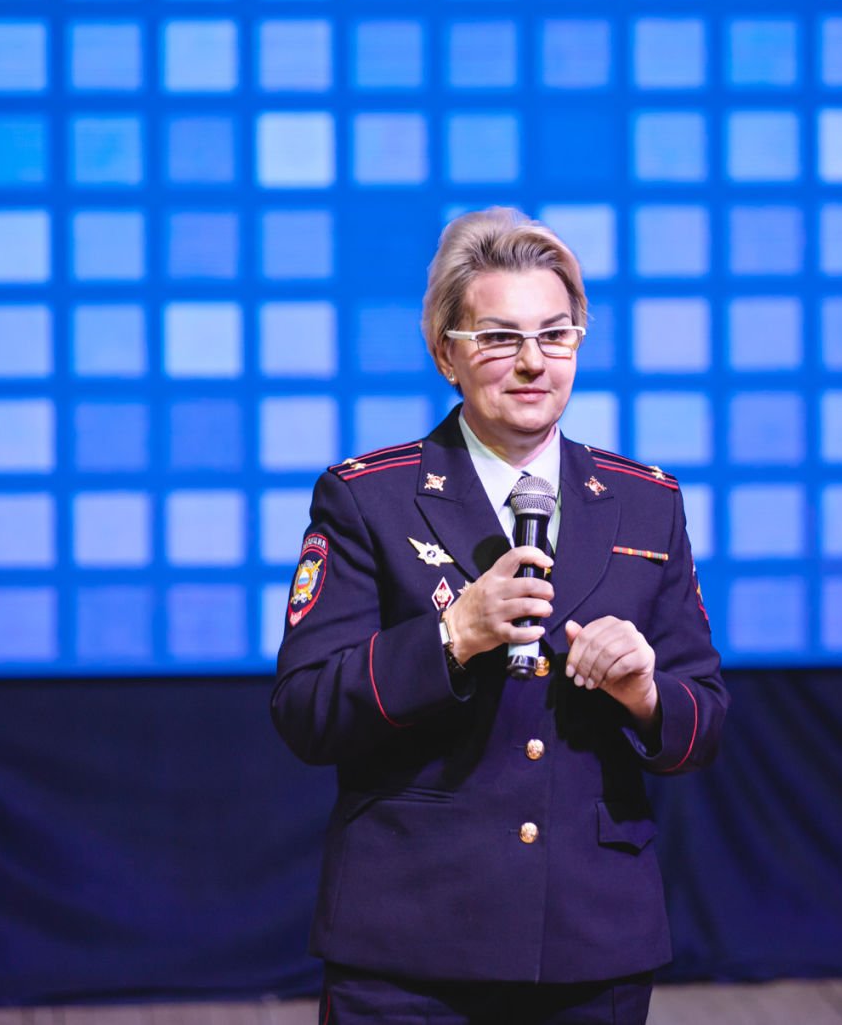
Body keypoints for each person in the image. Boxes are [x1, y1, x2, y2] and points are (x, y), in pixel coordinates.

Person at [271, 207, 728, 1025]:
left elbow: (705, 721)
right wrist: (453, 637)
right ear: (445, 351)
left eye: (555, 335)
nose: (531, 362)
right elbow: (306, 709)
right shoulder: (368, 497)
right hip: (409, 946)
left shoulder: (645, 502)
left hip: (592, 945)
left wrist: (645, 694)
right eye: (498, 337)